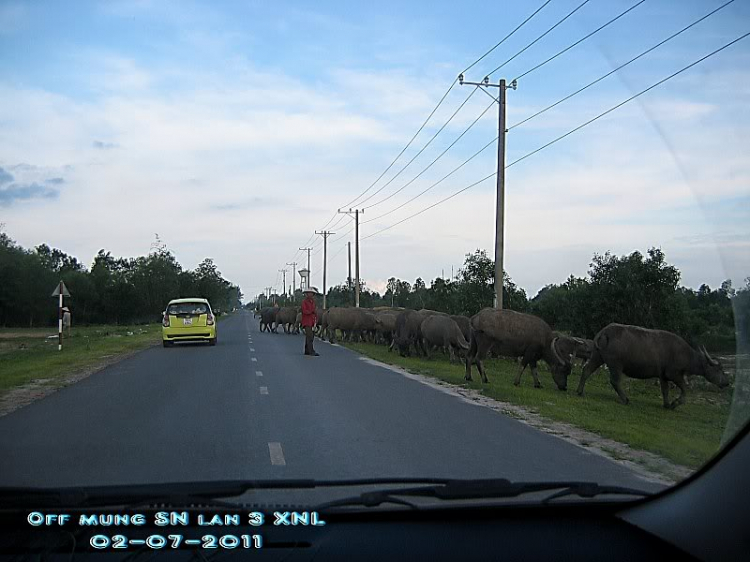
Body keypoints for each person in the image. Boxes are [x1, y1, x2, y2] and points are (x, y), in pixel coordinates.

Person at [301, 287, 320, 356]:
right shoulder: (304, 302)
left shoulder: (313, 302)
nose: (311, 295)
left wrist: (316, 319)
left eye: (312, 293)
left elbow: (315, 312)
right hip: (306, 321)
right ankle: (311, 351)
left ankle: (307, 350)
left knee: (309, 336)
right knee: (310, 337)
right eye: (309, 293)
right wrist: (312, 311)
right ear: (307, 294)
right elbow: (304, 311)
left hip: (312, 321)